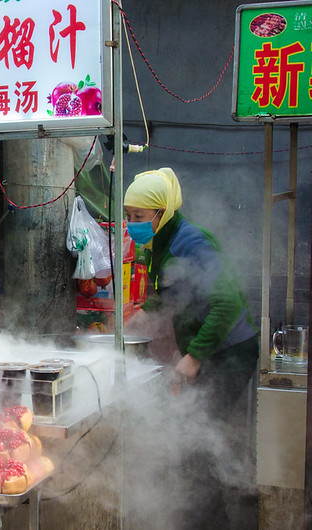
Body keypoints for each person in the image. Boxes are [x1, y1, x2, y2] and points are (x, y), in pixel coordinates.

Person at [123, 167, 258, 529]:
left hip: (230, 351)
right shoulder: (159, 244)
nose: (132, 223)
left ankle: (211, 522)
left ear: (161, 212)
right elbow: (172, 294)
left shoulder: (191, 243)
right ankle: (197, 514)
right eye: (128, 216)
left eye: (138, 216)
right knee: (190, 437)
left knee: (198, 441)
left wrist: (194, 356)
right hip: (207, 350)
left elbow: (227, 303)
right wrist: (140, 316)